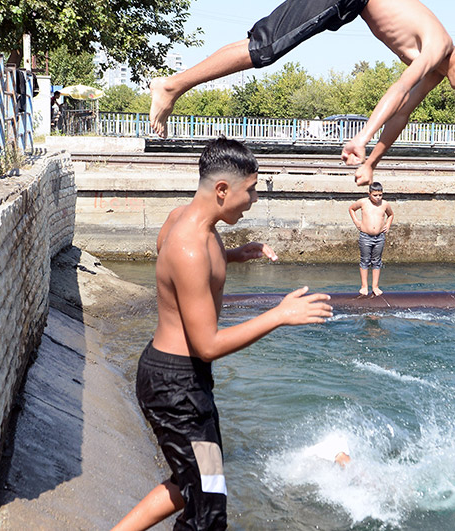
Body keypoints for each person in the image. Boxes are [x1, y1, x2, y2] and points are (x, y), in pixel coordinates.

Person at [114, 136, 332, 531]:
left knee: (195, 482)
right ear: (221, 190)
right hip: (176, 389)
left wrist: (232, 255)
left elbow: (173, 264)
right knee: (209, 509)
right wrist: (279, 315)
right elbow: (208, 345)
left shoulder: (183, 220)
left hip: (180, 380)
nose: (253, 200)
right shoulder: (191, 248)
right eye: (250, 191)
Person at [148, 0, 455, 185]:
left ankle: (174, 86)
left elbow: (402, 113)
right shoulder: (438, 46)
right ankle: (171, 86)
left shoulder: (436, 69)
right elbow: (398, 90)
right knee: (264, 49)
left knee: (264, 47)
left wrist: (372, 163)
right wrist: (362, 138)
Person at [349, 181, 394, 296]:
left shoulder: (384, 204)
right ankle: (364, 286)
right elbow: (351, 209)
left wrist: (388, 224)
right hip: (365, 236)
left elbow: (391, 215)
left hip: (379, 237)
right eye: (375, 195)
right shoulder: (363, 202)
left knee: (376, 261)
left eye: (380, 195)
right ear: (369, 194)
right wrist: (356, 222)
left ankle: (375, 286)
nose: (378, 198)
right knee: (365, 260)